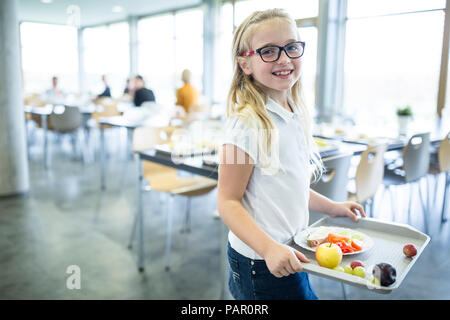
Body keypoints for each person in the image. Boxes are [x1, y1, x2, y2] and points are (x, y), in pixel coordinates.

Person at [217, 8, 366, 300]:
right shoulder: (245, 125)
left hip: (289, 251)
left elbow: (287, 186)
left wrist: (332, 206)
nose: (284, 59)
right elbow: (227, 201)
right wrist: (269, 248)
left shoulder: (293, 113)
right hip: (260, 262)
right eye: (269, 51)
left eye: (291, 47)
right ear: (245, 63)